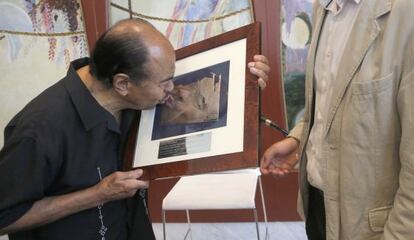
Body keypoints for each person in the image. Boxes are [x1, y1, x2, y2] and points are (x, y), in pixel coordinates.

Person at [0, 19, 270, 239]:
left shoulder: (136, 97)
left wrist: (244, 85)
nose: (172, 90)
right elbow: (5, 217)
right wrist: (97, 194)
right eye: (165, 82)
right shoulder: (39, 128)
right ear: (122, 84)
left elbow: (201, 107)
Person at [261, 0, 414, 239]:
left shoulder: (405, 13)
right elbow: (330, 99)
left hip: (372, 228)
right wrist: (301, 140)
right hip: (317, 207)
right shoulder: (323, 8)